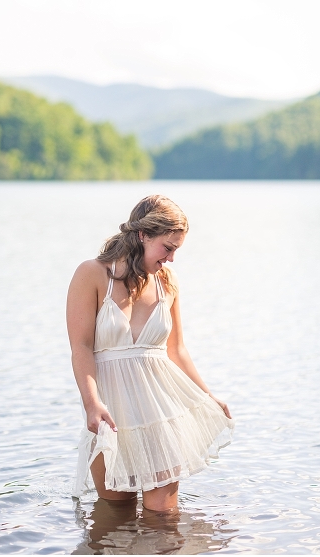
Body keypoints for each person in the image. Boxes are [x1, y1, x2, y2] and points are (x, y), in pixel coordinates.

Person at [67, 195, 234, 512]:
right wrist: (92, 404)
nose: (171, 259)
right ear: (143, 235)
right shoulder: (91, 274)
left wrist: (208, 395)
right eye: (168, 248)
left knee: (162, 519)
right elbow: (81, 348)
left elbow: (177, 350)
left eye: (176, 250)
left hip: (161, 416)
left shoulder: (167, 283)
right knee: (114, 518)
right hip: (111, 416)